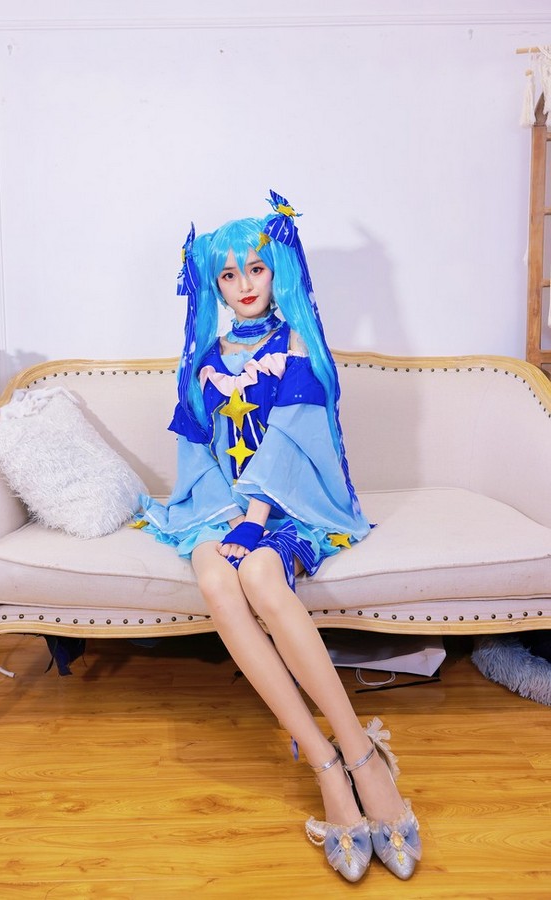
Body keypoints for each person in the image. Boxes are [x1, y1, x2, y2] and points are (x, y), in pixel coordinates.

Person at [137, 191, 422, 882]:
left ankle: (362, 758)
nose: (243, 285)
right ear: (214, 285)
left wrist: (255, 517)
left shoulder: (296, 344)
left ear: (276, 272)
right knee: (215, 577)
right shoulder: (203, 358)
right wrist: (222, 515)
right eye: (228, 275)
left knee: (261, 574)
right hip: (219, 508)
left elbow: (296, 437)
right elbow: (198, 452)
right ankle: (326, 767)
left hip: (287, 506)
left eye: (255, 270)